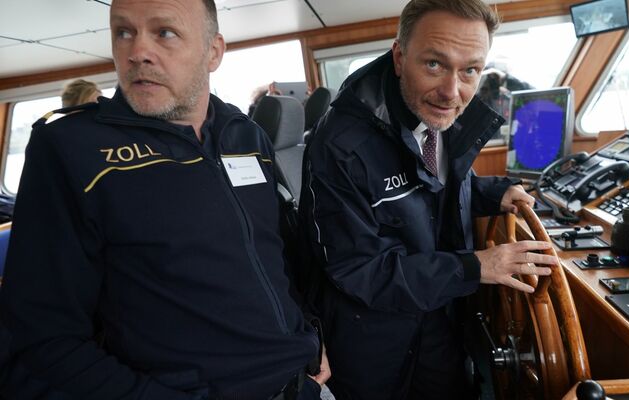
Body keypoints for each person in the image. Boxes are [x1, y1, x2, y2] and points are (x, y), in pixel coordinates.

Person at [0, 0, 329, 399]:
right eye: (123, 32)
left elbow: (273, 256)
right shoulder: (71, 149)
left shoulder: (245, 135)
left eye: (164, 32)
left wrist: (310, 332)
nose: (137, 51)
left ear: (213, 51)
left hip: (303, 382)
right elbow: (43, 337)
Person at [298, 0, 558, 399]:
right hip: (373, 334)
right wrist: (474, 267)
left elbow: (443, 186)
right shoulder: (338, 146)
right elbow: (360, 271)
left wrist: (496, 191)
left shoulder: (435, 117)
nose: (453, 92)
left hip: (437, 311)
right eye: (434, 64)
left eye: (470, 70)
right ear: (400, 57)